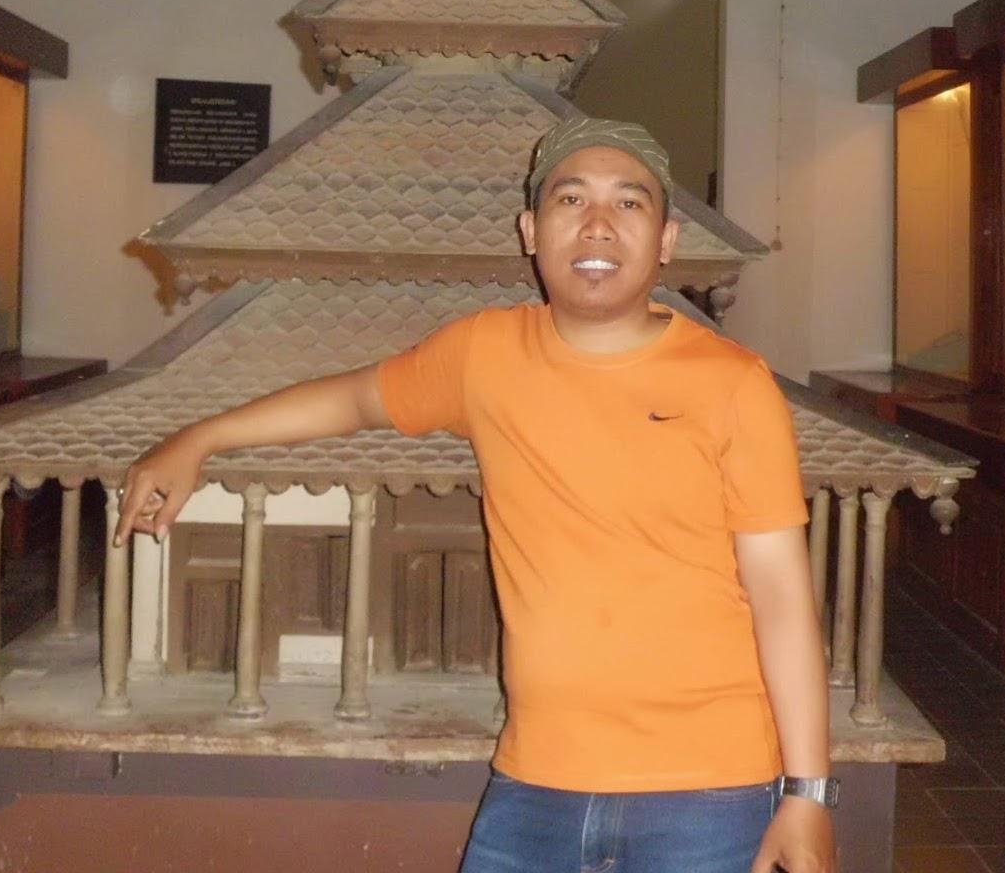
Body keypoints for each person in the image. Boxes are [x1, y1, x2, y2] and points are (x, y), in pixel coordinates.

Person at [116, 116, 838, 873]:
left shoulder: (732, 385)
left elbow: (782, 596)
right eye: (570, 200)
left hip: (712, 791)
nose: (598, 224)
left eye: (629, 203)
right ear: (531, 231)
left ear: (666, 240)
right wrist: (199, 439)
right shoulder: (486, 354)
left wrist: (809, 793)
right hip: (536, 786)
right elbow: (355, 399)